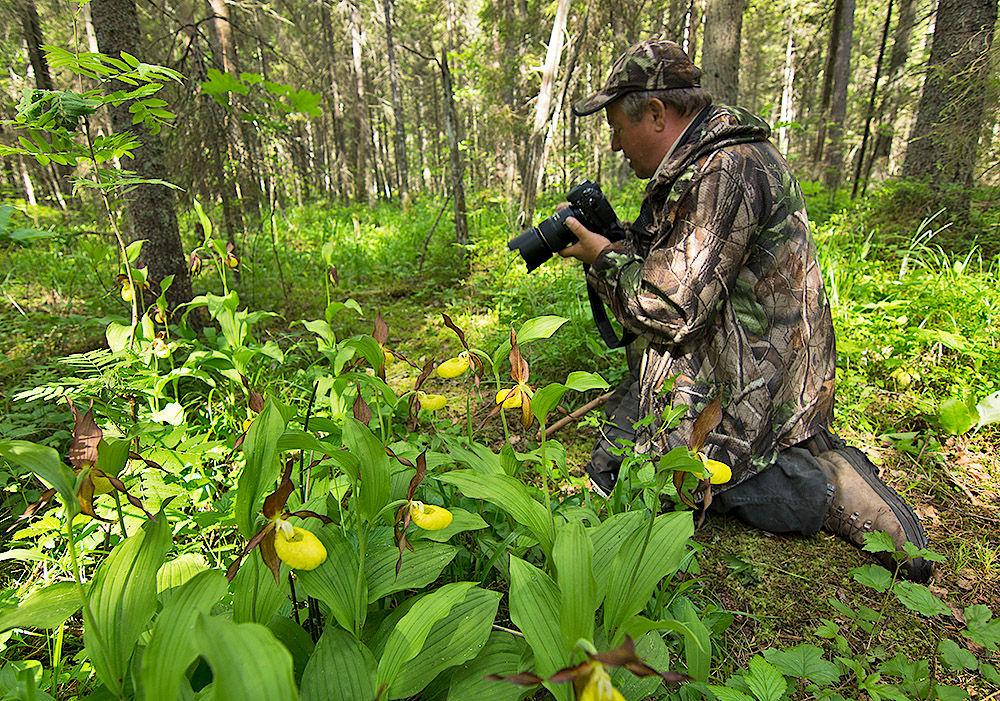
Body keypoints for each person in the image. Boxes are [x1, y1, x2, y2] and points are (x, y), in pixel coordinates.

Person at [557, 38, 931, 581]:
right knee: (622, 465)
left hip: (761, 376)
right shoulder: (699, 165)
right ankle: (791, 446)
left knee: (684, 478)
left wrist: (602, 258)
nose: (615, 144)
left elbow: (667, 307)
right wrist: (615, 242)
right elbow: (676, 268)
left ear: (657, 113)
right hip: (730, 358)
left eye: (617, 126)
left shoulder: (727, 170)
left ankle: (827, 486)